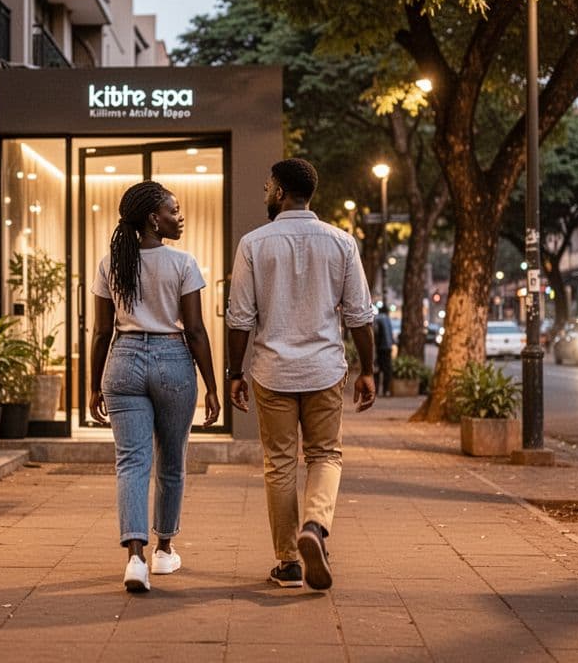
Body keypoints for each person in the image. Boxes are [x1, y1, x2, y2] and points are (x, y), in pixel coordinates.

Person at [226, 158, 376, 591]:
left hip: (272, 371)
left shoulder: (253, 244)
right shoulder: (341, 242)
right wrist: (368, 370)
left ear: (279, 191)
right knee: (325, 455)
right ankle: (315, 525)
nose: (265, 193)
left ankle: (289, 562)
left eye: (267, 186)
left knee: (279, 463)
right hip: (324, 369)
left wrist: (235, 373)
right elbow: (360, 315)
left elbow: (240, 318)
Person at [89, 180, 222, 593]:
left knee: (131, 463)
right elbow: (195, 330)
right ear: (153, 218)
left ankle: (135, 558)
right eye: (173, 211)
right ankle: (164, 550)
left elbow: (101, 331)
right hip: (173, 361)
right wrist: (212, 386)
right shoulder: (183, 263)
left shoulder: (111, 264)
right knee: (171, 461)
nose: (179, 218)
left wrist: (94, 385)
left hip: (123, 360)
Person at [374, 305, 395, 396]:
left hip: (380, 348)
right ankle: (385, 390)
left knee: (377, 368)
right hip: (388, 348)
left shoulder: (377, 319)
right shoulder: (388, 319)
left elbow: (376, 333)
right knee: (387, 369)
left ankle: (376, 390)